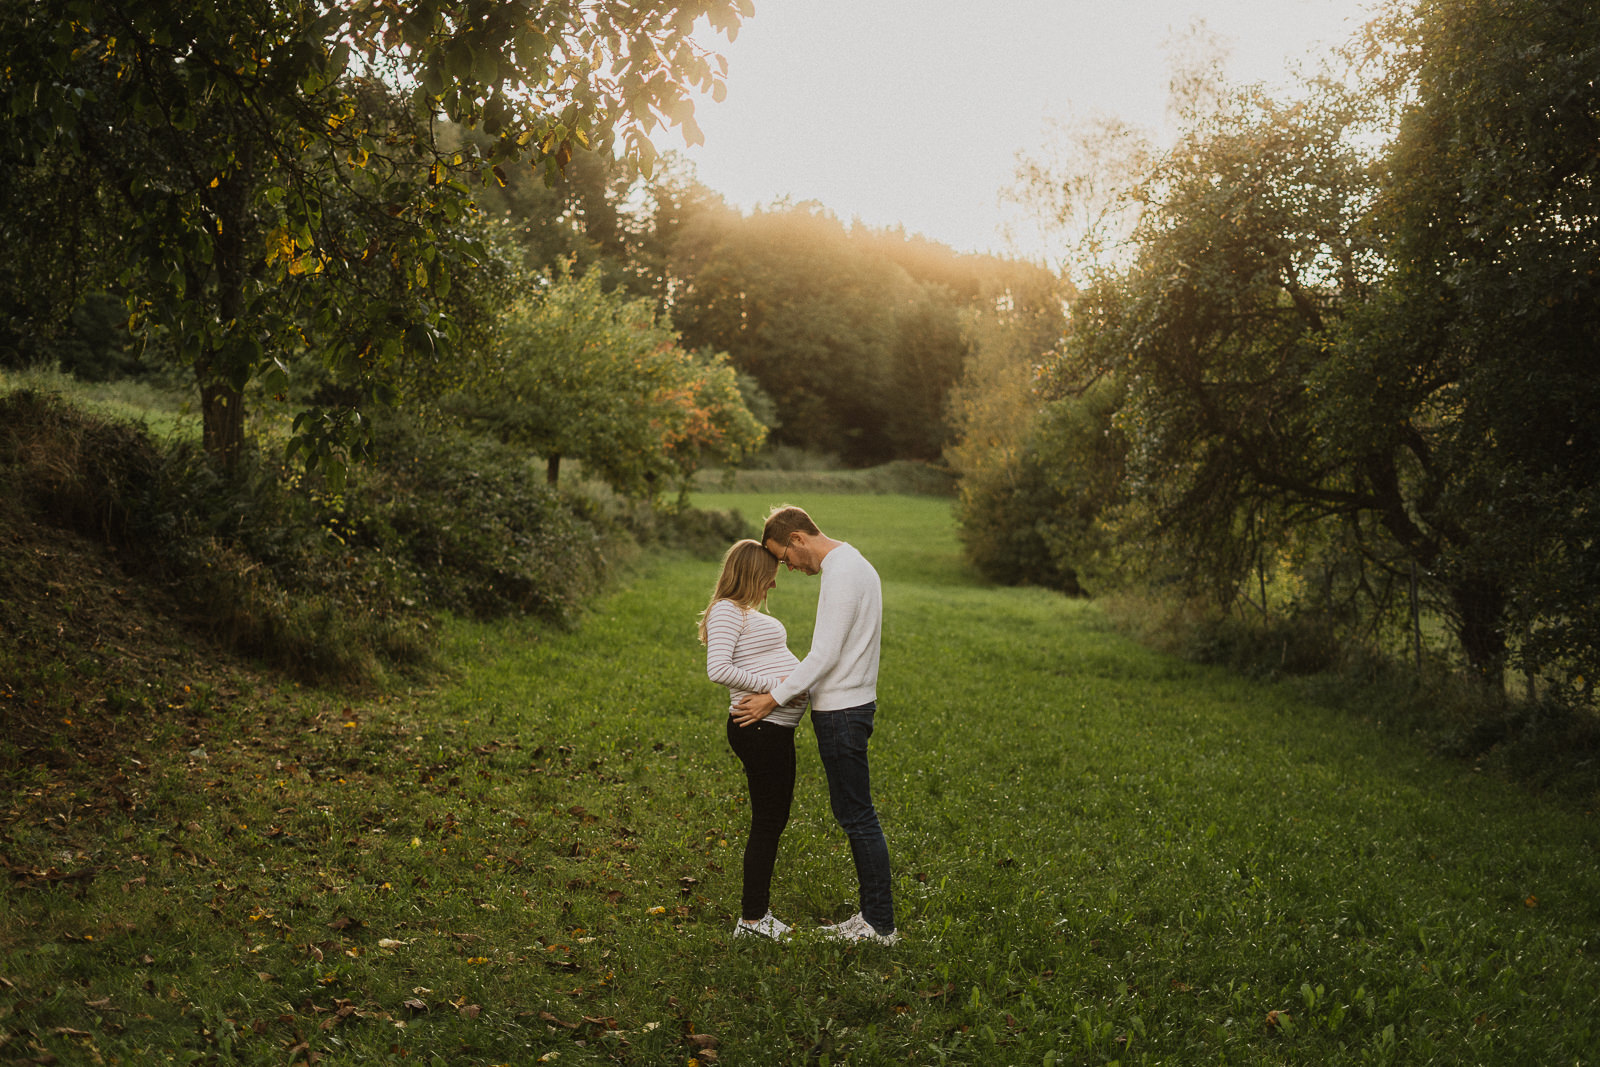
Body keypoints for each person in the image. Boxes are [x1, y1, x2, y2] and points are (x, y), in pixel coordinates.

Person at [734, 505, 898, 945]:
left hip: (844, 712)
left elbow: (823, 656)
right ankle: (871, 916)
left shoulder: (842, 572)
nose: (785, 567)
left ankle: (879, 925)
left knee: (857, 816)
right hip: (851, 706)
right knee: (854, 813)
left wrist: (773, 697)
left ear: (798, 539)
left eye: (783, 557)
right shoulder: (853, 564)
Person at [700, 539, 807, 940]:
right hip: (759, 728)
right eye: (770, 577)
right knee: (767, 823)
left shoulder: (741, 613)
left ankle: (756, 916)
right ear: (752, 573)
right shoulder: (728, 609)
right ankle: (752, 920)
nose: (773, 586)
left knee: (772, 821)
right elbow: (718, 669)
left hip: (770, 729)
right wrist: (776, 687)